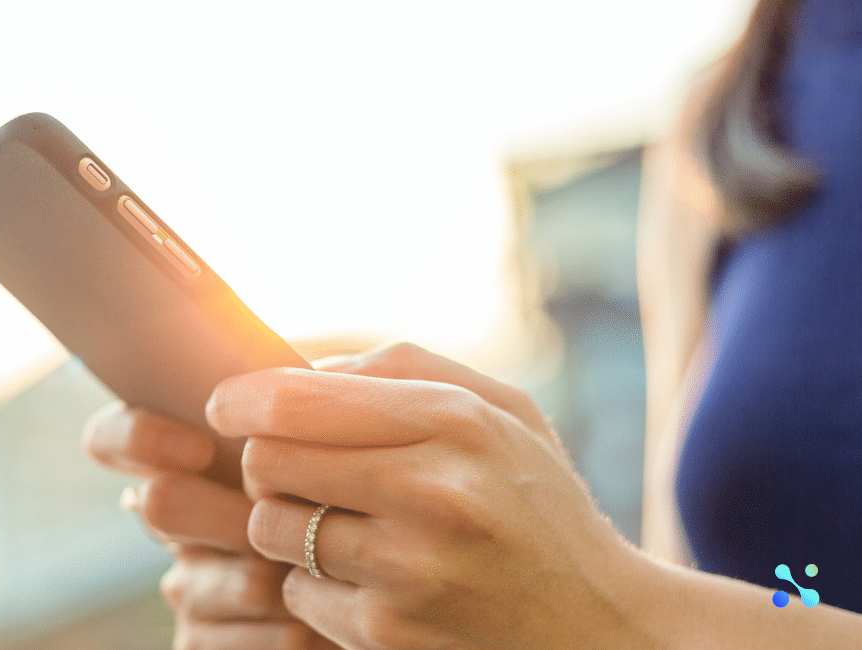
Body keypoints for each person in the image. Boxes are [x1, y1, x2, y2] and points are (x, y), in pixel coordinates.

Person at [83, 0, 862, 646]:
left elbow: (647, 619)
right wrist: (381, 612)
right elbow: (714, 588)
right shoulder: (734, 108)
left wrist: (612, 616)